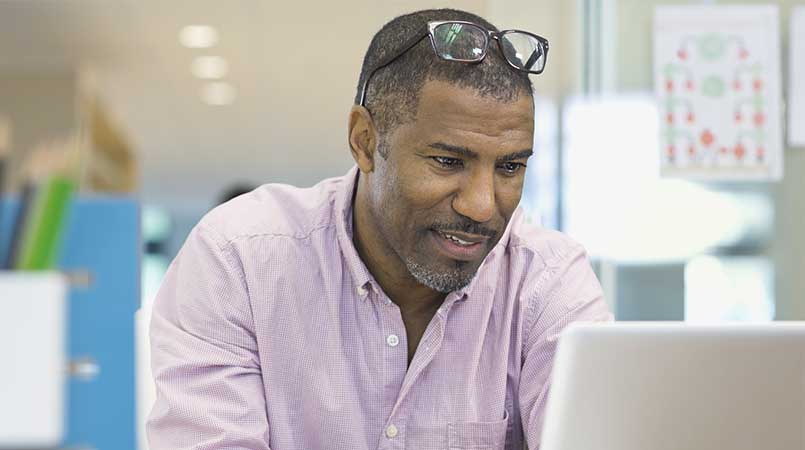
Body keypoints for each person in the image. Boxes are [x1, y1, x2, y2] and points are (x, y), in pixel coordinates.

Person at [148, 8, 611, 450]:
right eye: (448, 162)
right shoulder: (239, 260)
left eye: (510, 167)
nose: (482, 205)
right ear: (364, 141)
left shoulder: (547, 281)